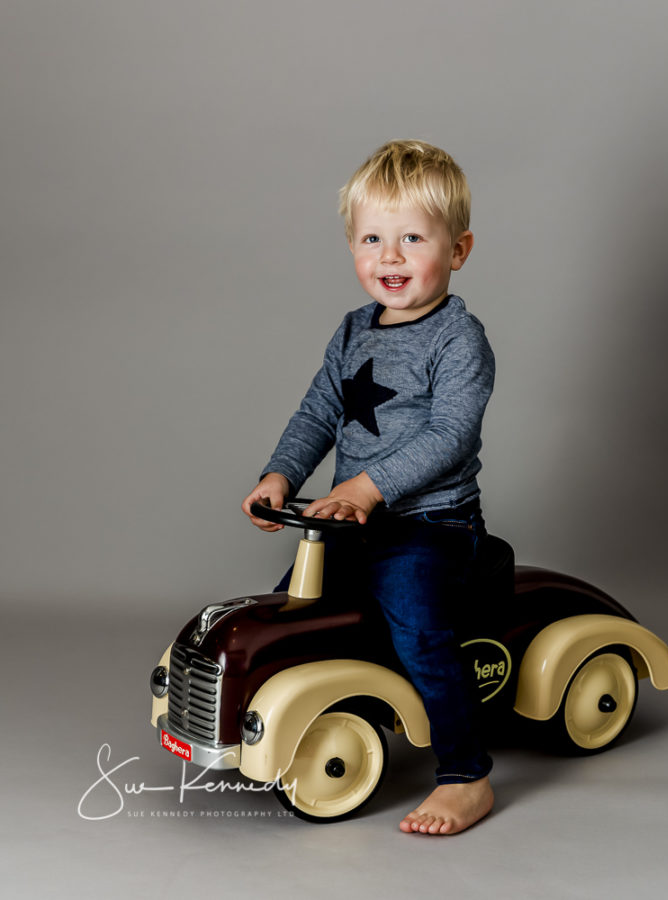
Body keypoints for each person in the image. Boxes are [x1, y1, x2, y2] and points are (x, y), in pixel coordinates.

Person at [241, 140, 496, 835]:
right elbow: (318, 411)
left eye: (413, 238)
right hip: (349, 518)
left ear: (458, 250)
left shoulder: (458, 340)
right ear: (352, 246)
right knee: (297, 611)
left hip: (428, 528)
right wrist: (282, 473)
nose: (390, 256)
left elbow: (451, 436)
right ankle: (306, 721)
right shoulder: (354, 331)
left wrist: (367, 486)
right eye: (372, 239)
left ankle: (465, 774)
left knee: (421, 634)